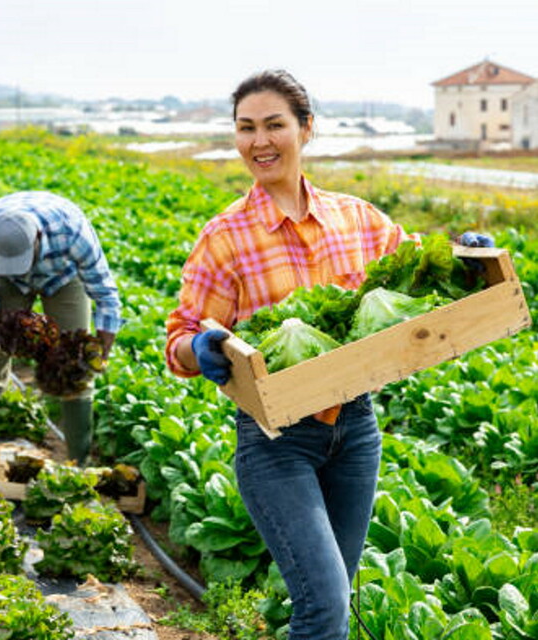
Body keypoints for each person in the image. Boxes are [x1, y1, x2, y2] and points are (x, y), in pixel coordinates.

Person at [165, 69, 492, 640]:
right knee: (324, 608)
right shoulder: (224, 238)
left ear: (306, 129)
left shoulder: (356, 219)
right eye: (246, 128)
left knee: (331, 599)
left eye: (274, 125)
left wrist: (464, 254)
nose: (259, 141)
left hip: (357, 430)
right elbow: (180, 340)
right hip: (275, 443)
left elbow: (420, 268)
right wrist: (198, 347)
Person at [0, 190, 121, 465]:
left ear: (37, 239)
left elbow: (105, 295)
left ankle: (77, 463)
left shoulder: (72, 231)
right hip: (6, 283)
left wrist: (99, 351)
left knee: (75, 363)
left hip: (63, 278)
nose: (22, 269)